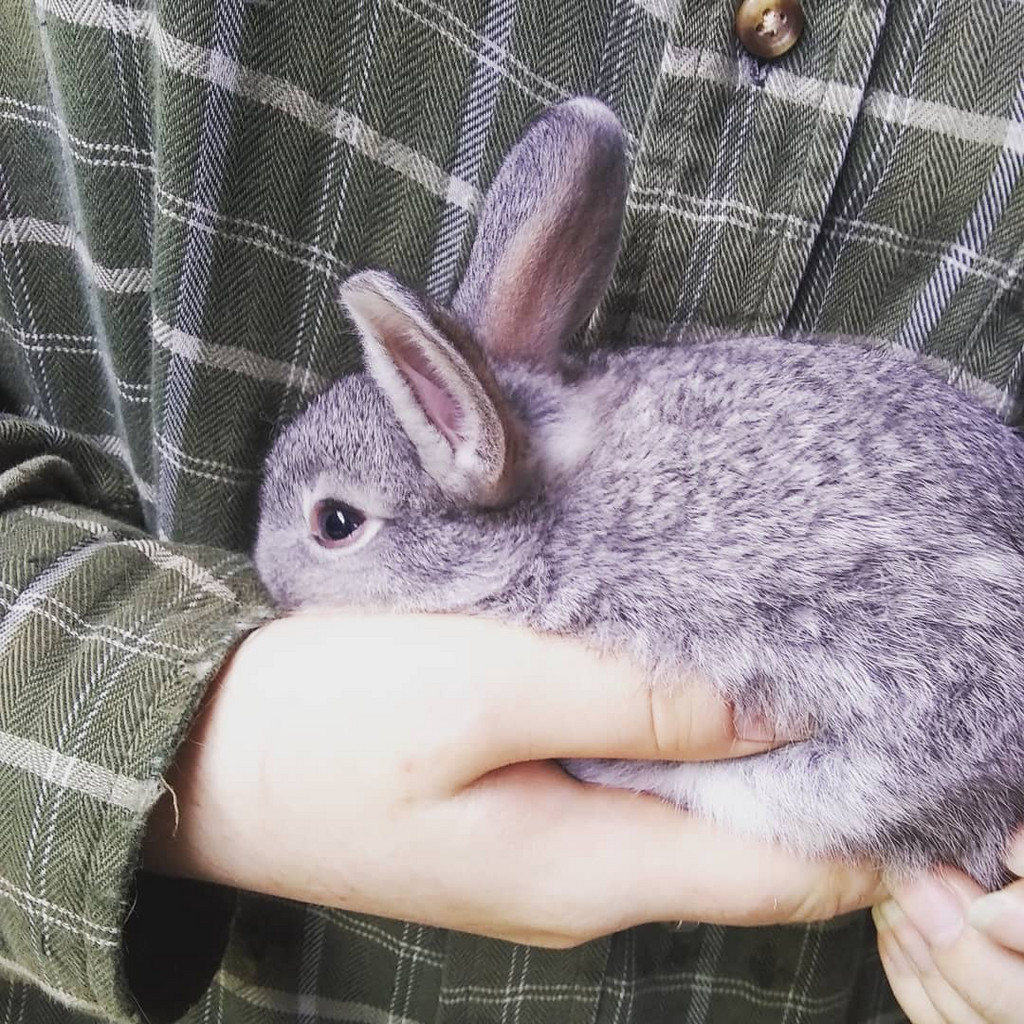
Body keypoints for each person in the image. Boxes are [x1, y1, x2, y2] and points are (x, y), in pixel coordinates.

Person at [2, 1, 1023, 1022]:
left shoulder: (610, 543)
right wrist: (208, 754)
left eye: (335, 527)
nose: (277, 578)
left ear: (464, 432)